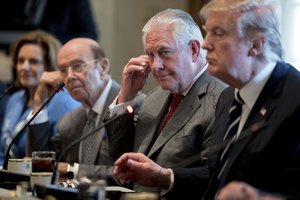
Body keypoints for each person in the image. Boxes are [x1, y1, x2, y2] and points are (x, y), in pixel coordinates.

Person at [113, 0, 300, 199]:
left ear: (255, 45)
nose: (205, 44)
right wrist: (165, 177)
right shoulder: (229, 98)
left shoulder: (294, 98)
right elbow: (214, 174)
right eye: (207, 32)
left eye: (218, 33)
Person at [106, 8, 225, 194]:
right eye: (151, 55)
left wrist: (164, 177)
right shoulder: (156, 96)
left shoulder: (221, 98)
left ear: (194, 50)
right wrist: (126, 97)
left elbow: (215, 178)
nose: (156, 66)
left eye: (165, 52)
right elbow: (122, 159)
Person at [26, 37, 120, 180]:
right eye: (63, 70)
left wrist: (71, 170)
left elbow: (125, 174)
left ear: (103, 67)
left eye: (78, 66)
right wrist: (39, 103)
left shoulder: (128, 107)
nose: (69, 76)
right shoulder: (69, 122)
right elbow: (42, 165)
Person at [0, 30, 80, 165]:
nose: (24, 67)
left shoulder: (64, 103)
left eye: (33, 62)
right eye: (20, 61)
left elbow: (61, 157)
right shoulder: (14, 98)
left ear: (50, 65)